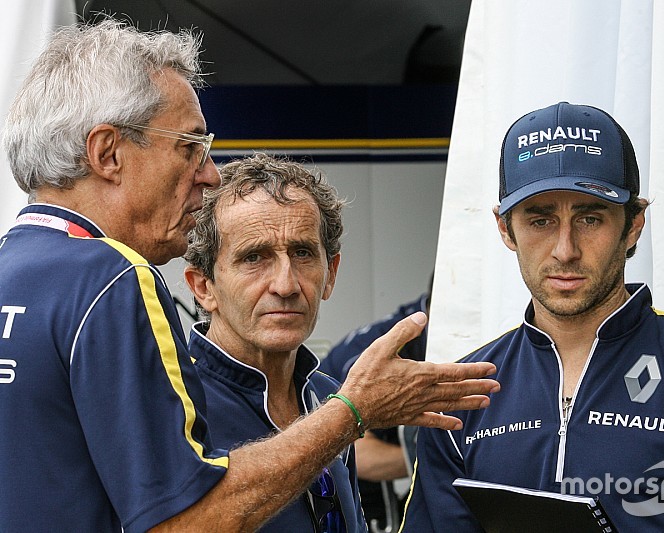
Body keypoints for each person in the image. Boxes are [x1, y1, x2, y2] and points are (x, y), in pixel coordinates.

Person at [0, 20, 500, 533]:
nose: (210, 172)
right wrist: (351, 412)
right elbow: (184, 524)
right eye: (189, 145)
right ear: (108, 153)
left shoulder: (14, 267)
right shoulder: (110, 276)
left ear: (332, 270)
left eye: (303, 254)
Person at [401, 102, 664, 531]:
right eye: (540, 220)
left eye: (590, 218)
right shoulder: (461, 393)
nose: (565, 249)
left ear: (633, 224)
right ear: (505, 228)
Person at [182, 152, 369, 531]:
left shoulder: (328, 394)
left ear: (330, 273)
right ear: (204, 287)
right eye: (254, 257)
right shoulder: (171, 402)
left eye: (302, 253)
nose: (286, 285)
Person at [320, 286, 430, 532]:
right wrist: (435, 460)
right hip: (342, 490)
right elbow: (357, 452)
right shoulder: (391, 346)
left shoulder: (425, 332)